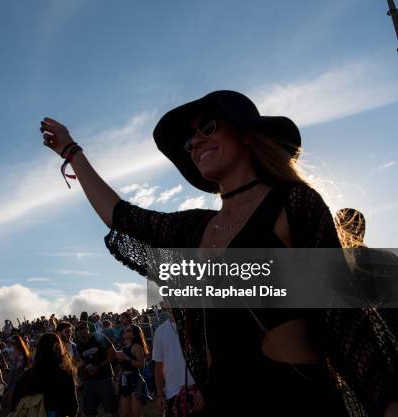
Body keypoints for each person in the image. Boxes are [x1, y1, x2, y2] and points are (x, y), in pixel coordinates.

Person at [40, 90, 398, 416]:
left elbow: (346, 325)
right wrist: (72, 151)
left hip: (296, 401)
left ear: (245, 132)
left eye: (208, 127)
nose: (195, 141)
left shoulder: (293, 203)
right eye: (189, 139)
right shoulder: (196, 229)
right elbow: (121, 215)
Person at [11, 333, 78, 417]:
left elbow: (14, 402)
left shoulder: (28, 374)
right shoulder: (64, 374)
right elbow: (73, 407)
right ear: (59, 348)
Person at [153, 305, 200, 417]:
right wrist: (160, 394)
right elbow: (158, 366)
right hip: (172, 395)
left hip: (196, 393)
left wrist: (202, 389)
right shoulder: (160, 331)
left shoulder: (196, 325)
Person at [74, 321, 119, 417]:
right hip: (89, 381)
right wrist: (83, 370)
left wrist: (98, 366)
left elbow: (113, 354)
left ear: (87, 328)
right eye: (77, 329)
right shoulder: (79, 345)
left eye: (82, 328)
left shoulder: (99, 338)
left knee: (112, 409)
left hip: (104, 378)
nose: (80, 331)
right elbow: (82, 361)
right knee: (89, 411)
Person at [116, 325, 152, 417]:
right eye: (125, 330)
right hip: (123, 380)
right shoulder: (123, 347)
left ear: (134, 334)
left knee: (136, 414)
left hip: (135, 380)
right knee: (125, 413)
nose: (125, 331)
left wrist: (125, 357)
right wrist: (117, 381)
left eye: (128, 330)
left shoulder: (137, 346)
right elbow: (121, 367)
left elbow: (140, 365)